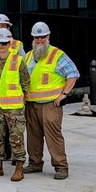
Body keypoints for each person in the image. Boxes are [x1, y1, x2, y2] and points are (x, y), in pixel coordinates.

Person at [22, 22, 79, 180]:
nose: (39, 40)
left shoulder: (57, 54)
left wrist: (64, 93)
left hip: (50, 105)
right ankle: (35, 163)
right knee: (33, 136)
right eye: (36, 37)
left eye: (42, 37)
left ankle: (61, 167)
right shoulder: (27, 56)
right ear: (33, 38)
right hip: (31, 104)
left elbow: (73, 74)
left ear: (48, 37)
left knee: (53, 136)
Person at [0, 29, 29, 181]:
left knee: (16, 138)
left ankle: (19, 168)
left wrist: (20, 102)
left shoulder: (18, 61)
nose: (1, 45)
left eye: (4, 43)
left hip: (14, 108)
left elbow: (25, 83)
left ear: (10, 44)